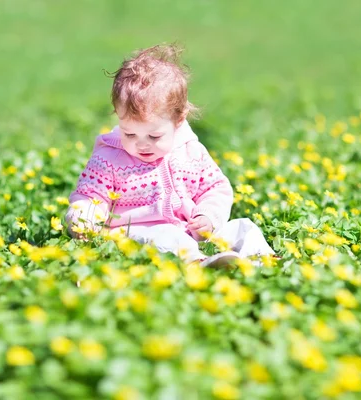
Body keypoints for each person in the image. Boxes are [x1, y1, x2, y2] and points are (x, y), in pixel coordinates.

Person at [65, 44, 275, 267]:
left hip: (191, 232)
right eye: (130, 133)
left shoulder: (191, 152)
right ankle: (199, 264)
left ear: (178, 120)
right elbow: (89, 195)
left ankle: (264, 261)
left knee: (243, 227)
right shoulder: (109, 159)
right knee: (166, 236)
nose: (141, 144)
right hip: (137, 236)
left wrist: (208, 217)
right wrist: (84, 219)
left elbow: (215, 188)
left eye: (154, 136)